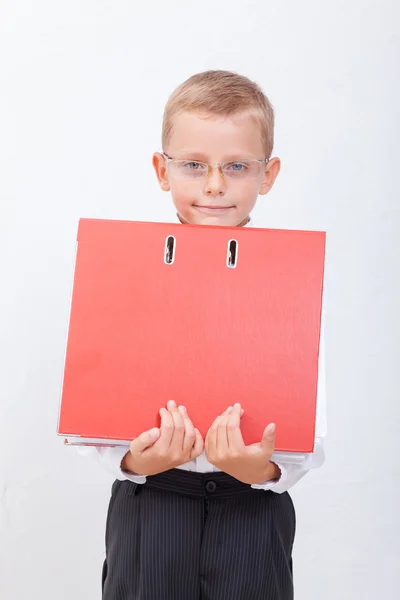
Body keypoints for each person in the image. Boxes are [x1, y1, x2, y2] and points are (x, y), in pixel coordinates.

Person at [80, 70, 326, 600]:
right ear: (162, 171)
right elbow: (94, 411)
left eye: (236, 167)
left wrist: (258, 467)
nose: (215, 185)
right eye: (194, 165)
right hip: (152, 507)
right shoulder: (124, 276)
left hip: (251, 511)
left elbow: (310, 428)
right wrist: (136, 462)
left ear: (268, 174)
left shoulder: (291, 283)